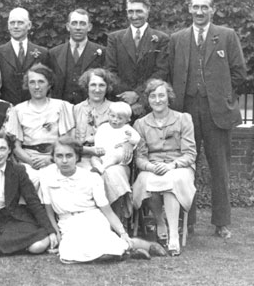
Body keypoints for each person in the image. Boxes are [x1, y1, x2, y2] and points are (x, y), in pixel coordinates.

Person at [165, 0, 246, 239]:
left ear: (213, 10)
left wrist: (220, 96)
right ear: (189, 9)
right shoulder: (178, 38)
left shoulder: (227, 36)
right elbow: (169, 74)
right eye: (195, 7)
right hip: (186, 110)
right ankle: (186, 221)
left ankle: (221, 222)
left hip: (216, 113)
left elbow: (239, 73)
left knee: (219, 168)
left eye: (204, 8)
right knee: (185, 166)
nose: (199, 12)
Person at [40, 137, 165, 264]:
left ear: (77, 157)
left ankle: (145, 246)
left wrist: (122, 232)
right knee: (70, 253)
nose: (64, 160)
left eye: (69, 155)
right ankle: (127, 251)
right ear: (53, 158)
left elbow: (107, 211)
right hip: (67, 223)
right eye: (59, 156)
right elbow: (49, 212)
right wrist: (56, 233)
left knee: (105, 244)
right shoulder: (46, 177)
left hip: (92, 219)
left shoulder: (91, 177)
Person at [131, 79, 197, 256]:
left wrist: (172, 165)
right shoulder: (141, 124)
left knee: (172, 180)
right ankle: (161, 223)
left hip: (178, 166)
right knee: (147, 180)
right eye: (153, 96)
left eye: (161, 95)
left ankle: (173, 235)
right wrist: (150, 167)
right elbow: (140, 157)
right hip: (152, 167)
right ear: (148, 100)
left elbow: (190, 154)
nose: (157, 100)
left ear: (169, 97)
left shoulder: (183, 119)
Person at [0, 131, 56, 256]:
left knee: (39, 245)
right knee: (3, 243)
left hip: (14, 217)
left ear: (9, 150)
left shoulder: (18, 169)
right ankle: (21, 245)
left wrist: (50, 230)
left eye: (3, 148)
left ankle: (27, 244)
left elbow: (33, 201)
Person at [72, 68, 132, 217]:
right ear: (86, 86)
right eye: (93, 85)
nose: (97, 90)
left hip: (112, 159)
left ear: (108, 87)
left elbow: (128, 134)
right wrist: (88, 151)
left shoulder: (117, 108)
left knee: (112, 173)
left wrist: (128, 143)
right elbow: (70, 143)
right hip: (83, 158)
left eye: (101, 85)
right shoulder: (76, 109)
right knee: (82, 174)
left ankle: (115, 223)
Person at [7, 64, 74, 188]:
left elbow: (67, 141)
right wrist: (31, 161)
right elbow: (15, 146)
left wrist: (51, 159)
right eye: (32, 82)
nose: (37, 86)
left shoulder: (61, 106)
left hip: (57, 158)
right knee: (29, 179)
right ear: (27, 85)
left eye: (41, 82)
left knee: (56, 179)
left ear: (49, 84)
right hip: (29, 160)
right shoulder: (18, 110)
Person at [105, 0, 170, 120]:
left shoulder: (162, 39)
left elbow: (161, 71)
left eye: (139, 11)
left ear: (148, 10)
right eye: (130, 11)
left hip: (149, 103)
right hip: (121, 105)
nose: (134, 16)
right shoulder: (114, 38)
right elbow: (110, 71)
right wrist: (126, 97)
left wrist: (138, 94)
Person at [0, 7, 50, 104]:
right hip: (7, 109)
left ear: (29, 25)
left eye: (20, 23)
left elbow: (48, 85)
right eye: (12, 23)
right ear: (8, 26)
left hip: (35, 109)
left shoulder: (43, 53)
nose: (16, 26)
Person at [49, 9, 105, 104]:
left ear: (89, 27)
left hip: (91, 108)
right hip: (62, 109)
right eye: (74, 23)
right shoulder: (54, 53)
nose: (78, 27)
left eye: (82, 23)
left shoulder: (102, 52)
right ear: (67, 26)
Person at [89, 101, 140, 175]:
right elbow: (98, 137)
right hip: (104, 153)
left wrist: (130, 137)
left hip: (119, 156)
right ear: (108, 114)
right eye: (112, 116)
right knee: (93, 158)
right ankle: (97, 166)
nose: (115, 119)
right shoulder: (104, 126)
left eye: (120, 118)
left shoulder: (127, 129)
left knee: (116, 155)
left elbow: (137, 139)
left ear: (127, 120)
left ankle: (102, 168)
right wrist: (97, 147)